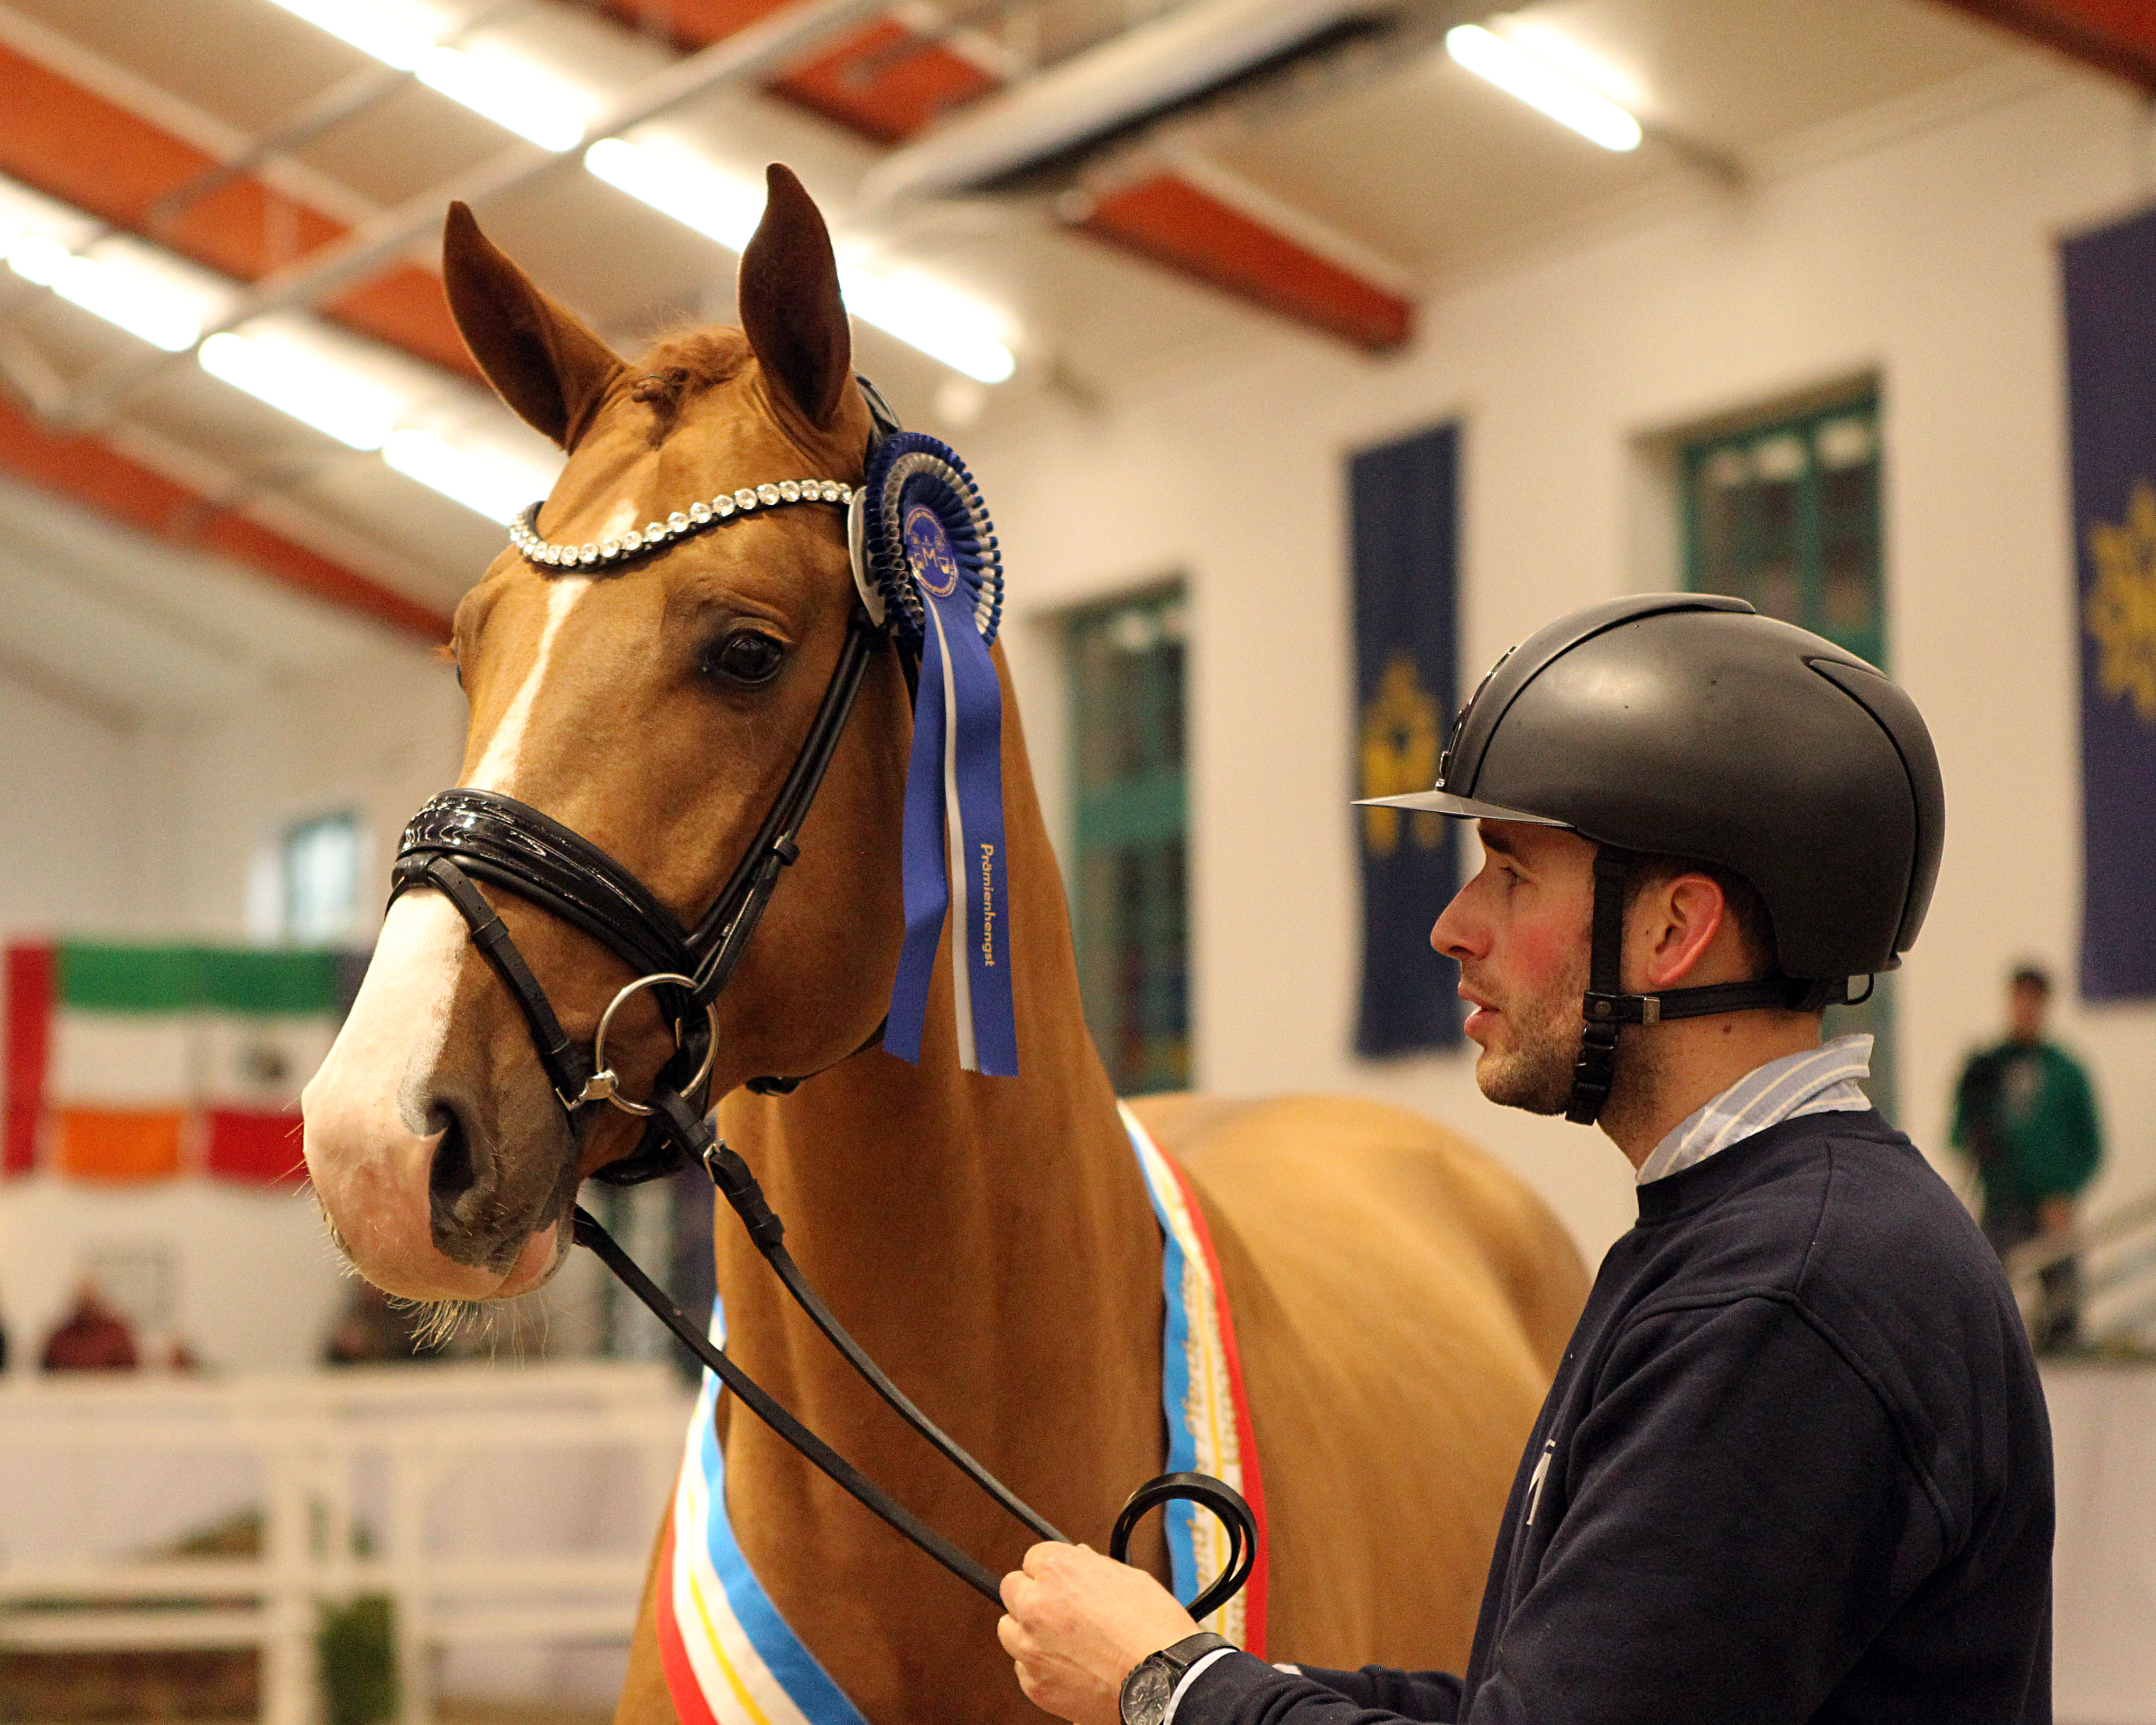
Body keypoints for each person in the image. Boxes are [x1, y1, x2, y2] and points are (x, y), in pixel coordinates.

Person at [998, 595, 2051, 1725]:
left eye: (1508, 871)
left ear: (1671, 932)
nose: (1455, 925)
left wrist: (1171, 1690)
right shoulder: (1743, 1234)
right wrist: (1247, 1682)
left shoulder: (1788, 1294)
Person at [1951, 964, 2102, 1350]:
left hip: (2050, 1210)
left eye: (2035, 1000)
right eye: (2020, 998)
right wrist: (1976, 1140)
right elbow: (1958, 1132)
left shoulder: (2065, 1072)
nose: (2026, 1009)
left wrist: (2065, 1193)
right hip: (2000, 1204)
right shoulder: (1988, 1067)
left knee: (2063, 1303)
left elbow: (2090, 1145)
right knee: (1986, 1297)